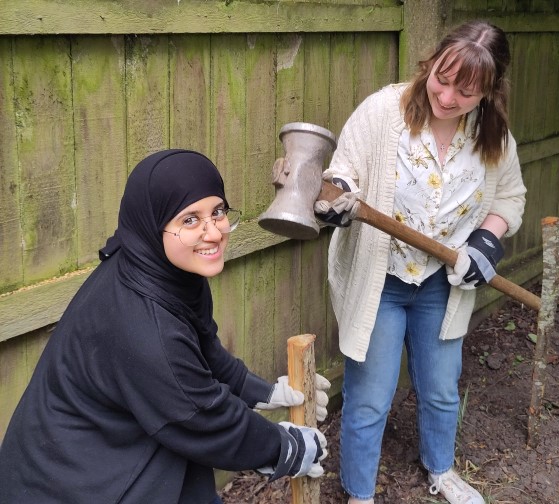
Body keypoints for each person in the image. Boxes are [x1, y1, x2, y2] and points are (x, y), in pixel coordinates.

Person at [0, 149, 330, 504]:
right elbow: (202, 417)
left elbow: (202, 346)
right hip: (70, 479)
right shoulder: (144, 325)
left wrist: (258, 391)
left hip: (119, 438)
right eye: (189, 220)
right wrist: (282, 447)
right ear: (152, 223)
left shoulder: (165, 272)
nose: (214, 233)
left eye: (217, 211)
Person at [314, 20, 526, 504]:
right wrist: (340, 199)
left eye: (466, 92)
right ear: (431, 64)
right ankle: (360, 494)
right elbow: (342, 173)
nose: (447, 98)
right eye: (442, 79)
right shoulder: (383, 113)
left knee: (441, 389)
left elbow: (509, 199)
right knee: (369, 399)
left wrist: (486, 244)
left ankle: (441, 468)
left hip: (440, 286)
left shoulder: (494, 137)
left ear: (490, 93)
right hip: (381, 281)